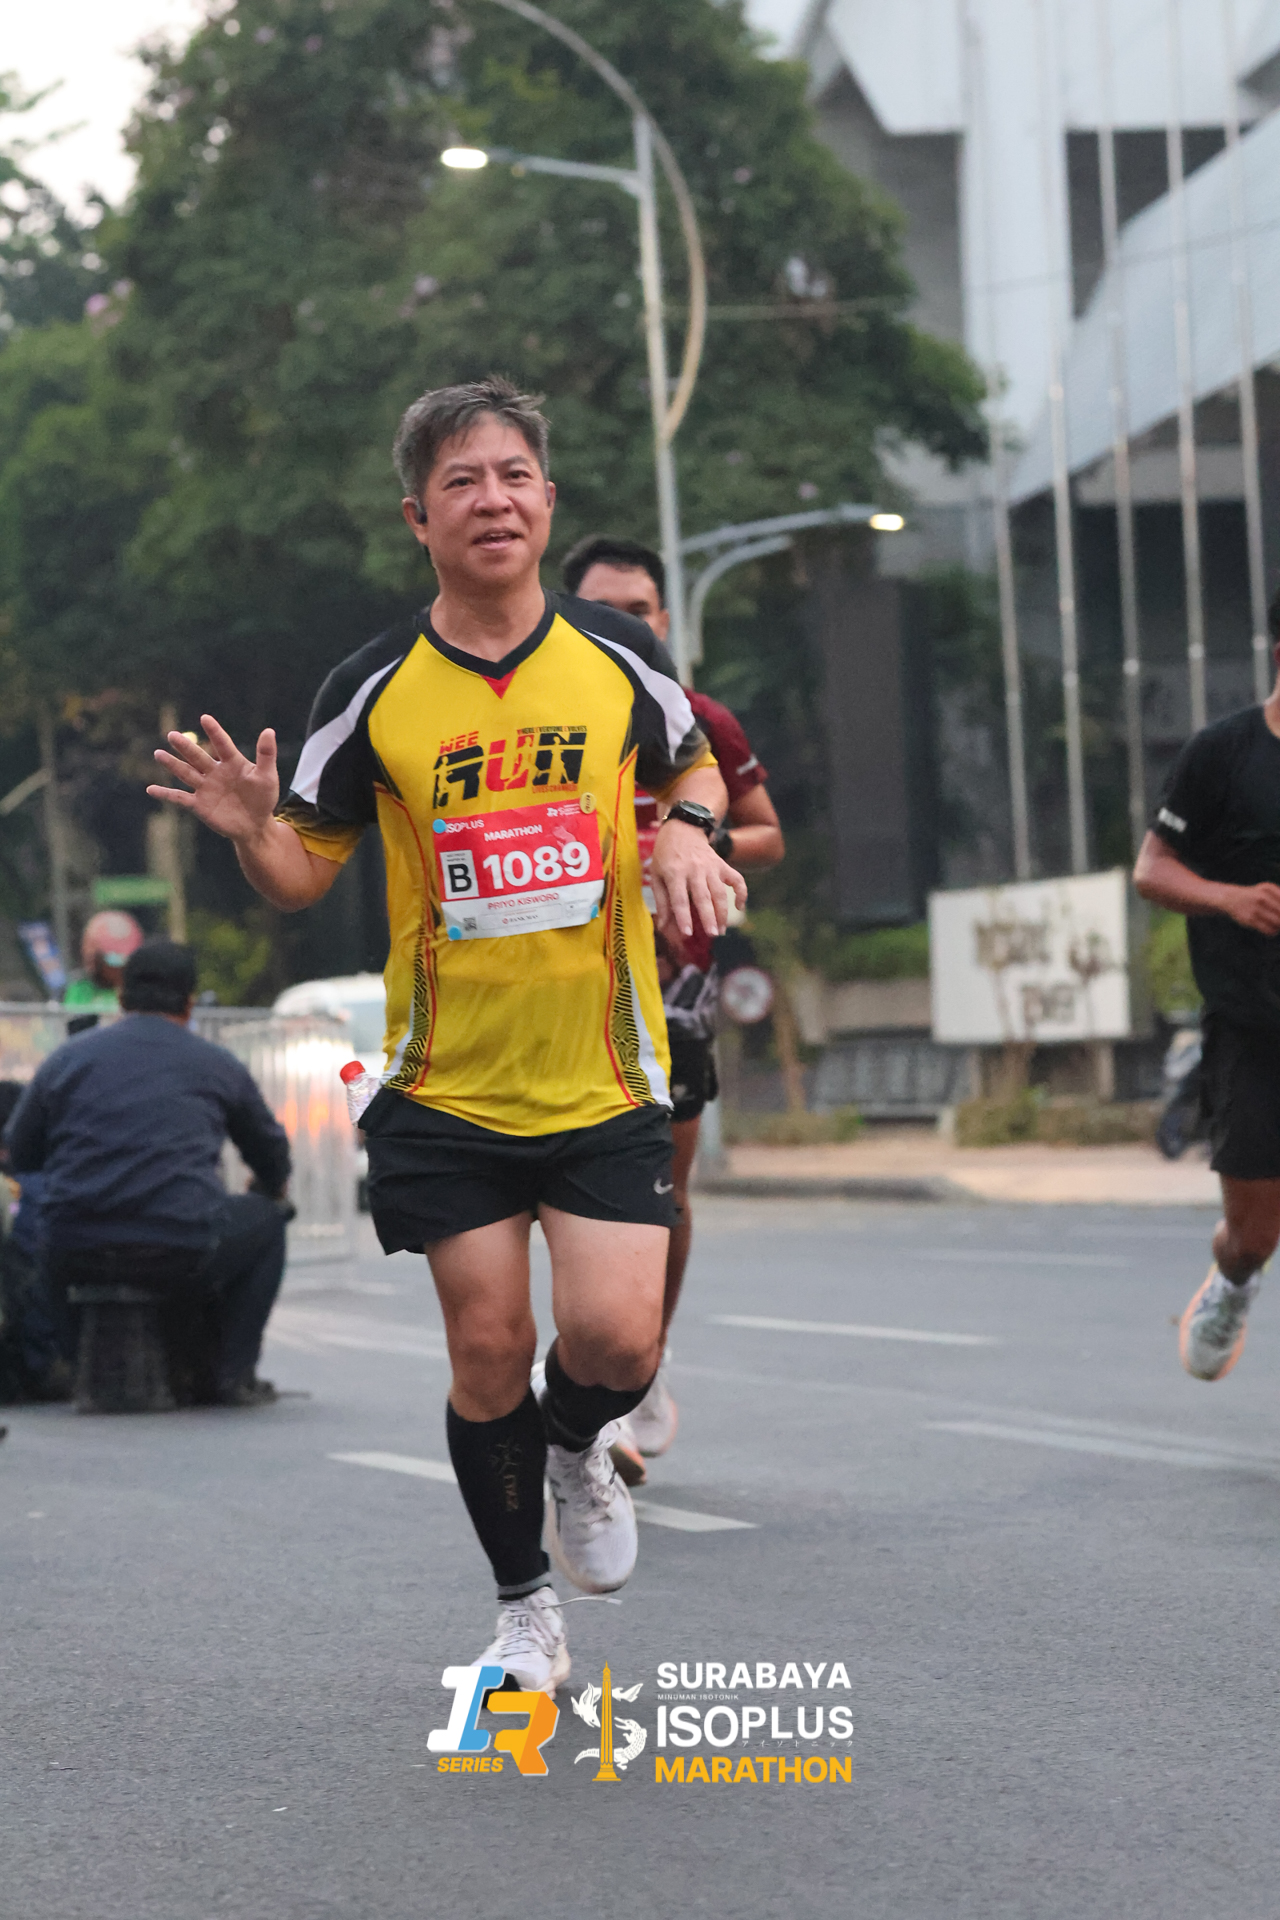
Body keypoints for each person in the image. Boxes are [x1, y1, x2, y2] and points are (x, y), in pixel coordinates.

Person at [147, 376, 744, 1694]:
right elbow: (300, 873)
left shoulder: (615, 655)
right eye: (462, 482)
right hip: (447, 1087)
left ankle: (576, 1442)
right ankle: (525, 1610)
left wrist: (688, 832)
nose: (494, 500)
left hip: (602, 1071)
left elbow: (693, 758)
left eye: (514, 476)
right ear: (418, 518)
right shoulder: (373, 688)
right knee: (486, 1350)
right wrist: (250, 829)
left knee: (617, 1345)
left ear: (548, 501)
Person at [562, 534, 784, 1477]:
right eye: (603, 611)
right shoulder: (540, 716)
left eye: (640, 611)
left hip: (674, 981)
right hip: (563, 982)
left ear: (664, 620)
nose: (625, 625)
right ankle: (587, 1375)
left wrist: (691, 842)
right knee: (562, 1190)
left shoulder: (699, 722)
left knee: (663, 1190)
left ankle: (641, 1361)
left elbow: (768, 835)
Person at [4, 942, 292, 1407]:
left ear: (121, 998)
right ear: (190, 1003)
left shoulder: (67, 1059)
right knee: (266, 1221)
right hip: (179, 1246)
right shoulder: (215, 1063)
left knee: (46, 1234)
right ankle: (230, 1374)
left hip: (73, 1245)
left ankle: (73, 1363)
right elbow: (270, 1152)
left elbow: (21, 1151)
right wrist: (272, 1189)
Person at [1134, 589, 1280, 1382]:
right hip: (1252, 1025)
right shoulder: (1223, 754)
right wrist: (1230, 899)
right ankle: (1233, 1283)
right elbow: (1152, 870)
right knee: (1254, 1232)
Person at [63, 910, 144, 1014]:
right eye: (112, 962)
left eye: (126, 962)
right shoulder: (79, 989)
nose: (118, 970)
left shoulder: (140, 992)